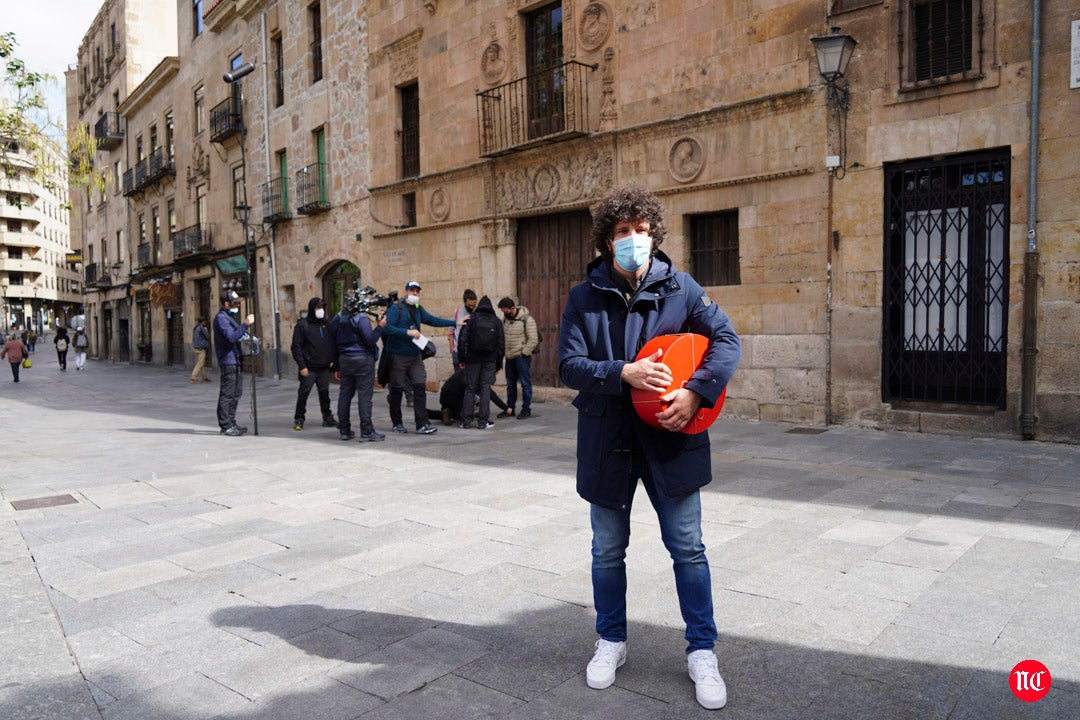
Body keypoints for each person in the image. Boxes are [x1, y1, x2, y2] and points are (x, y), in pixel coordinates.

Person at [558, 185, 741, 710]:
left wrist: (696, 390)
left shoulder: (681, 288)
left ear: (655, 234)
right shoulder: (582, 297)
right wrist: (624, 373)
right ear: (606, 241)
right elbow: (567, 367)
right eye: (622, 232)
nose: (633, 239)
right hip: (607, 439)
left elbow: (727, 341)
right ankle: (610, 640)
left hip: (672, 439)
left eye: (641, 230)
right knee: (606, 550)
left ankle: (702, 649)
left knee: (689, 548)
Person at [382, 280, 456, 434]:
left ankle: (422, 424)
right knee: (396, 390)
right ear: (405, 292)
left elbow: (433, 320)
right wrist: (407, 332)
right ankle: (397, 423)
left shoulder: (418, 309)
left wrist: (456, 323)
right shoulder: (396, 309)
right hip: (398, 356)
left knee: (420, 387)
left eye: (417, 291)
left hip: (415, 356)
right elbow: (387, 328)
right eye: (412, 290)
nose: (415, 293)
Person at [329, 297, 386, 442]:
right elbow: (370, 339)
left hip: (345, 360)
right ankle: (367, 431)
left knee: (345, 394)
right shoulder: (361, 318)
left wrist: (336, 365)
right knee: (364, 396)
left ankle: (344, 429)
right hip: (362, 360)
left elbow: (332, 343)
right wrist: (380, 326)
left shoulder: (337, 318)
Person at [456, 295, 504, 429]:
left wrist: (462, 359)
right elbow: (501, 345)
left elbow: (462, 340)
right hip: (489, 360)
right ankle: (483, 422)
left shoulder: (472, 319)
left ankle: (466, 422)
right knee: (485, 389)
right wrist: (498, 364)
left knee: (470, 389)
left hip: (472, 359)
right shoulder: (496, 321)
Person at [290, 298, 338, 432]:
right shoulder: (303, 325)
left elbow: (331, 343)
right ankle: (299, 418)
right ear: (312, 309)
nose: (320, 310)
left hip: (323, 367)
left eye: (322, 307)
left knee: (324, 393)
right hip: (309, 368)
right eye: (318, 308)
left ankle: (327, 417)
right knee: (304, 393)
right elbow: (296, 346)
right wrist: (302, 366)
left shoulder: (326, 324)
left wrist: (332, 359)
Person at [213, 292, 255, 436]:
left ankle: (231, 422)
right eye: (235, 303)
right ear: (226, 304)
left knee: (236, 393)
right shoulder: (221, 319)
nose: (238, 305)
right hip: (228, 360)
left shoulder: (229, 318)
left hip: (236, 360)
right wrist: (245, 324)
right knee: (227, 394)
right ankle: (225, 425)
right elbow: (231, 337)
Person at [497, 296, 539, 419]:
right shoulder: (505, 319)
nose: (505, 314)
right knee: (510, 384)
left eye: (506, 311)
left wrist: (524, 352)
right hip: (509, 357)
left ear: (512, 308)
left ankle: (526, 409)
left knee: (525, 384)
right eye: (503, 312)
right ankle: (511, 409)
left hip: (522, 357)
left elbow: (533, 339)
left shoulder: (527, 319)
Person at [429, 367, 509, 424]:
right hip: (455, 398)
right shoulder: (480, 376)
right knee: (466, 415)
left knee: (456, 411)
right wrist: (506, 408)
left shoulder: (470, 369)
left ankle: (430, 413)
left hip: (444, 395)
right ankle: (450, 412)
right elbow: (491, 394)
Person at [450, 289, 478, 367]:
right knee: (459, 376)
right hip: (457, 351)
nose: (472, 307)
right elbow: (451, 330)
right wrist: (452, 347)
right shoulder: (457, 312)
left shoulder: (478, 313)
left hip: (473, 352)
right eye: (469, 305)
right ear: (465, 302)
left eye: (474, 305)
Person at [191, 317, 211, 383]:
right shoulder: (201, 328)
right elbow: (207, 336)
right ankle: (193, 377)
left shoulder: (195, 328)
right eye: (204, 322)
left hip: (197, 347)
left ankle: (204, 377)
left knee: (202, 363)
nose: (205, 323)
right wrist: (206, 330)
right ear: (202, 322)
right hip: (201, 348)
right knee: (200, 363)